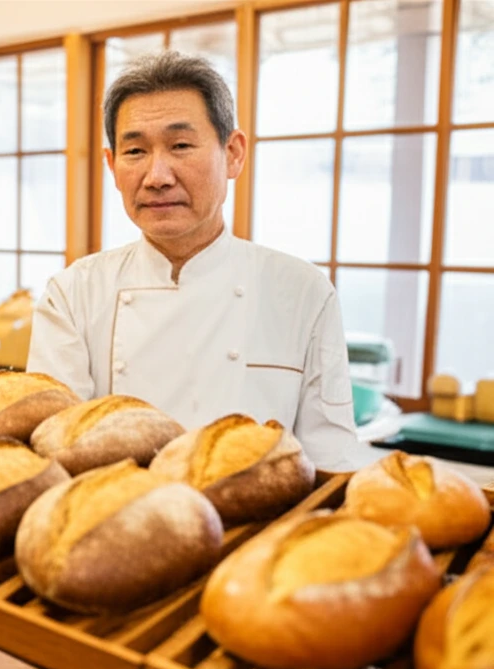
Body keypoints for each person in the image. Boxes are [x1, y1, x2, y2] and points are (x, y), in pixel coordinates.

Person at [26, 51, 358, 471]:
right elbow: (53, 450)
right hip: (112, 521)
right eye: (135, 151)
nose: (157, 176)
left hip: (261, 527)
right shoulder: (72, 294)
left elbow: (333, 464)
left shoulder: (301, 292)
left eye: (180, 145)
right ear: (112, 166)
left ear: (233, 153)